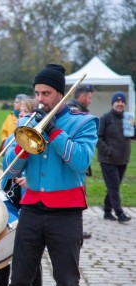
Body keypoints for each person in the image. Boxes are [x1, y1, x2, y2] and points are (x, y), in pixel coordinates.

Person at [4, 64, 99, 286]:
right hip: (32, 210)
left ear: (60, 94)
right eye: (37, 93)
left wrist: (54, 131)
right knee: (19, 280)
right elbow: (10, 172)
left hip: (66, 213)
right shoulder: (26, 122)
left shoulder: (83, 123)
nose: (40, 99)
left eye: (45, 94)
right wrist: (23, 143)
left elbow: (80, 162)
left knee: (68, 284)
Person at [0, 98, 44, 286]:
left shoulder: (41, 138)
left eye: (28, 114)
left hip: (29, 199)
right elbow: (6, 164)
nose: (22, 117)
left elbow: (41, 167)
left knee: (29, 252)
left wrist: (30, 179)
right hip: (8, 196)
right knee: (2, 243)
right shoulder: (11, 137)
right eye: (21, 114)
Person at [97, 92, 133, 223]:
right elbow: (98, 138)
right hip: (108, 159)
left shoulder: (127, 118)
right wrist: (108, 151)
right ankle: (120, 213)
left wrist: (133, 127)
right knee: (114, 187)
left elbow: (132, 136)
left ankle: (107, 210)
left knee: (114, 185)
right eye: (117, 101)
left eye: (122, 101)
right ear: (113, 103)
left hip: (122, 159)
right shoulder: (105, 118)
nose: (120, 104)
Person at [67, 84, 95, 239]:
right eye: (89, 97)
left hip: (76, 159)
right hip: (73, 160)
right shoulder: (74, 111)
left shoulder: (77, 109)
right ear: (82, 96)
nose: (90, 101)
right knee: (77, 194)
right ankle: (76, 229)